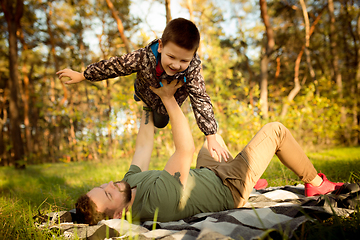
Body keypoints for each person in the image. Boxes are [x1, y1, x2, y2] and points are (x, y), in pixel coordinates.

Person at [75, 80, 344, 225]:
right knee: (276, 131)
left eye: (103, 185)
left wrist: (148, 103)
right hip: (230, 188)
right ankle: (317, 184)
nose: (111, 184)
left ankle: (253, 176)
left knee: (212, 142)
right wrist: (167, 98)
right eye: (108, 193)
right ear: (118, 215)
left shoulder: (126, 186)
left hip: (209, 174)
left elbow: (143, 146)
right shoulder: (156, 200)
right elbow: (185, 149)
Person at [57, 17, 229, 161]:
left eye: (184, 61)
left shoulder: (192, 69)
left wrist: (210, 136)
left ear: (192, 56)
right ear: (161, 46)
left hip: (168, 101)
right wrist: (84, 75)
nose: (176, 65)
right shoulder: (143, 57)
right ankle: (142, 101)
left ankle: (158, 111)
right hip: (147, 90)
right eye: (171, 57)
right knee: (145, 103)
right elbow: (116, 65)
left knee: (161, 122)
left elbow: (200, 98)